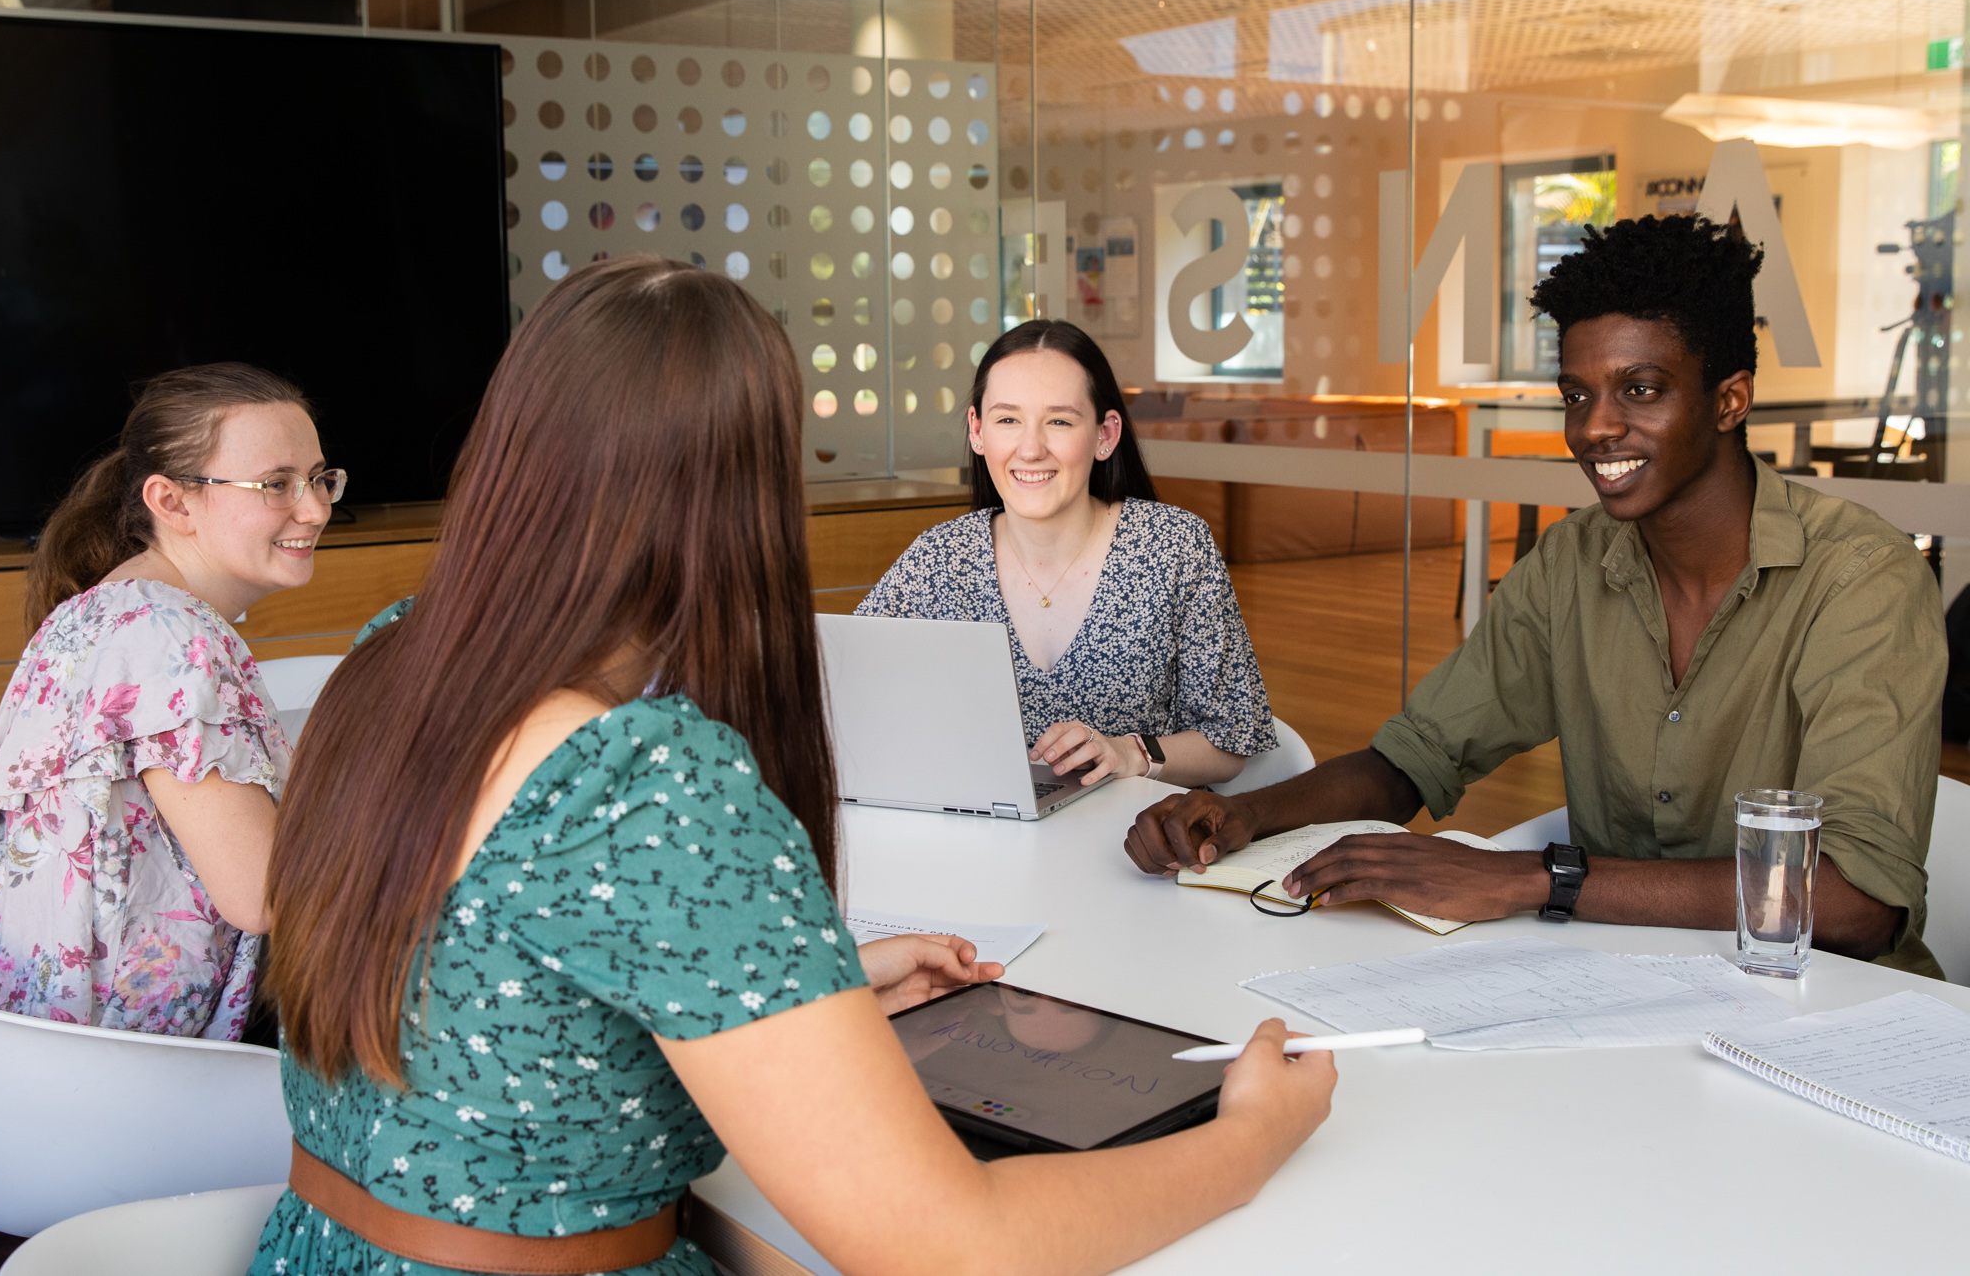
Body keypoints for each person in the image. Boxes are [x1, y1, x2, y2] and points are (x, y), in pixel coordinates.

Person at [253, 258, 1335, 1276]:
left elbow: (507, 963)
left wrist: (816, 979)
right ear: (744, 488)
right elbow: (947, 1246)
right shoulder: (650, 779)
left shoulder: (389, 658)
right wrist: (1247, 1136)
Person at [1124, 214, 1947, 978]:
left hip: (1828, 1016)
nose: (1594, 428)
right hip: (1624, 989)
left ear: (1729, 400)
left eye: (1642, 389)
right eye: (1577, 394)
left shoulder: (1860, 581)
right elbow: (1413, 758)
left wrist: (1532, 878)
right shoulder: (1572, 563)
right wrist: (1242, 816)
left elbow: (1854, 902)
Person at [0, 364, 341, 1036]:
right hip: (146, 1068)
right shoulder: (171, 636)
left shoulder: (94, 611)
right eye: (277, 484)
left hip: (43, 1051)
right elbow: (264, 893)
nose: (315, 508)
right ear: (171, 502)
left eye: (320, 478)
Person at [858, 319, 1276, 790]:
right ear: (977, 431)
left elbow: (1229, 743)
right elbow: (849, 694)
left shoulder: (1176, 547)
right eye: (1007, 419)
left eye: (1058, 421)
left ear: (1105, 434)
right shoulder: (937, 560)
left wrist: (1129, 752)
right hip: (982, 844)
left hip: (1138, 850)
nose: (1031, 448)